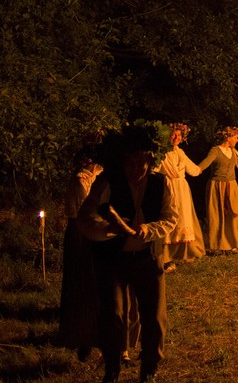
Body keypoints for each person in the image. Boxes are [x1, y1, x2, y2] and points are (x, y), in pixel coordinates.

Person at [77, 121, 179, 383]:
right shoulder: (107, 181)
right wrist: (111, 230)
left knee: (154, 317)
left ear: (149, 157)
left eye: (138, 161)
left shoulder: (161, 183)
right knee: (112, 315)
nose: (133, 168)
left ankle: (149, 369)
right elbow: (86, 217)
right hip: (112, 259)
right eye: (127, 162)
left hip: (147, 257)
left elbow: (171, 219)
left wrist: (148, 229)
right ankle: (112, 368)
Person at [59, 137, 104, 362]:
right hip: (80, 231)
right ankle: (76, 332)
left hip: (91, 229)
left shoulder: (95, 177)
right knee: (80, 280)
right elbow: (85, 208)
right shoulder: (81, 180)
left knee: (93, 281)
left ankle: (91, 331)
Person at [196, 126, 238, 254]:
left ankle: (234, 242)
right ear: (228, 138)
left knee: (234, 213)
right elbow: (205, 163)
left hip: (232, 186)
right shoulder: (215, 151)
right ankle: (219, 245)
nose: (237, 140)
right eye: (235, 138)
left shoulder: (232, 151)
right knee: (218, 215)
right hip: (217, 186)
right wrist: (195, 170)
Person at [155, 123, 205, 270]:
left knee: (183, 219)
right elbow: (155, 168)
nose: (176, 137)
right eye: (173, 135)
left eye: (179, 135)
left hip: (182, 188)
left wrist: (205, 166)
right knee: (169, 217)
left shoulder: (180, 152)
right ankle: (165, 257)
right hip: (168, 186)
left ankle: (183, 253)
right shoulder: (161, 152)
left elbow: (194, 170)